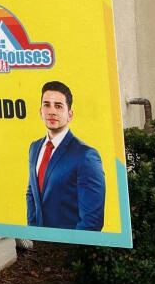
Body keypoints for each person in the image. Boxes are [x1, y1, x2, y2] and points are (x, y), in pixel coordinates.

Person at [25, 81, 105, 231]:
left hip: (67, 248)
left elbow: (92, 221)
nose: (52, 111)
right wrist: (33, 231)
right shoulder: (34, 147)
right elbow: (32, 193)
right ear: (40, 111)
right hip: (40, 243)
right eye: (46, 105)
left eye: (58, 106)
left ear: (70, 114)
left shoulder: (86, 155)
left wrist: (68, 247)